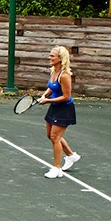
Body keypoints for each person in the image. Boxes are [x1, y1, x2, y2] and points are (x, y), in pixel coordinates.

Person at [36, 44, 78, 179]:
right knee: (50, 135)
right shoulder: (53, 71)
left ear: (60, 58)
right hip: (54, 106)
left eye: (52, 56)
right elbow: (52, 87)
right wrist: (44, 96)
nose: (50, 57)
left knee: (55, 137)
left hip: (64, 109)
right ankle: (71, 156)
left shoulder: (64, 75)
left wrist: (47, 101)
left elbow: (66, 96)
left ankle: (57, 168)